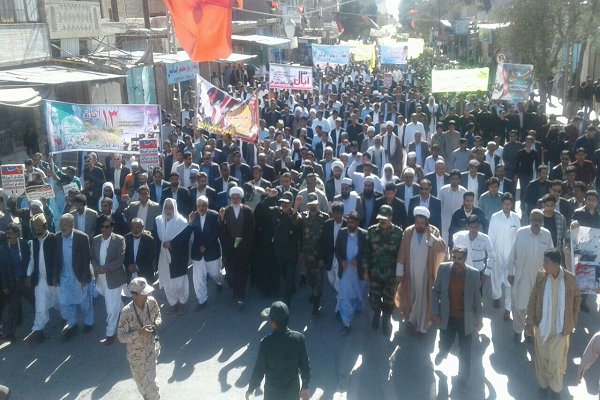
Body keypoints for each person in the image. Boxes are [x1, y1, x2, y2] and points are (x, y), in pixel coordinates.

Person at [525, 248, 581, 400]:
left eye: (546, 262)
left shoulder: (570, 279)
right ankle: (543, 386)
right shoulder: (541, 276)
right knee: (541, 361)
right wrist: (529, 321)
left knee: (556, 364)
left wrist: (572, 320)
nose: (543, 265)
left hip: (560, 331)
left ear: (556, 264)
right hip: (542, 327)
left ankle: (555, 390)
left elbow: (577, 300)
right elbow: (533, 299)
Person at [431, 246, 483, 392]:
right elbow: (435, 292)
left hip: (465, 320)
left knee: (465, 352)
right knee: (445, 343)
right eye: (454, 257)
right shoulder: (443, 269)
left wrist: (479, 319)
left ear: (465, 259)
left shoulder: (473, 274)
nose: (456, 261)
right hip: (447, 317)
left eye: (459, 258)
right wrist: (434, 312)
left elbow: (477, 300)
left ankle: (463, 379)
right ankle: (442, 353)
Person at [395, 206, 447, 335]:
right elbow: (402, 252)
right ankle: (411, 321)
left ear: (426, 222)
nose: (419, 226)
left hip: (426, 274)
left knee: (424, 299)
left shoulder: (433, 231)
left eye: (422, 224)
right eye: (417, 223)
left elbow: (442, 249)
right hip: (410, 272)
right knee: (411, 296)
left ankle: (423, 327)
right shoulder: (408, 231)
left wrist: (433, 239)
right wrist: (399, 272)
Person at [246, 301, 311, 400]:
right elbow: (305, 365)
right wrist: (305, 386)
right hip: (292, 394)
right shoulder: (298, 338)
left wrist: (251, 388)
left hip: (272, 395)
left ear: (273, 323)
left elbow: (259, 370)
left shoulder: (266, 343)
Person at [508, 210, 554, 343]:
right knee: (519, 306)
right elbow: (513, 254)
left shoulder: (546, 235)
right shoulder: (521, 233)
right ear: (529, 219)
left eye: (539, 220)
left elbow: (551, 256)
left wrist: (552, 274)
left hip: (540, 277)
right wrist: (510, 273)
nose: (536, 223)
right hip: (522, 276)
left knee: (536, 306)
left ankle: (530, 333)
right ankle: (517, 330)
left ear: (542, 221)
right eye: (534, 219)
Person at [117, 277, 162, 400]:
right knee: (142, 385)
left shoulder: (152, 302)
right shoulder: (126, 312)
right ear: (134, 295)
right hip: (136, 356)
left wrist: (157, 322)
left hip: (151, 350)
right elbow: (121, 337)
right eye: (143, 293)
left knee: (152, 384)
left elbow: (158, 314)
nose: (147, 294)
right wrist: (139, 333)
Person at [363, 205, 403, 336]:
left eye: (384, 219)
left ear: (390, 218)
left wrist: (400, 273)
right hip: (375, 272)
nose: (382, 222)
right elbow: (366, 252)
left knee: (389, 299)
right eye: (380, 219)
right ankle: (376, 313)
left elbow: (401, 255)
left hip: (391, 274)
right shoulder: (371, 231)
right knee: (374, 298)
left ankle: (386, 319)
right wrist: (365, 270)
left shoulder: (398, 233)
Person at [55, 214, 94, 340]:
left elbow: (86, 259)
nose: (62, 227)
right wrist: (55, 276)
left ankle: (89, 323)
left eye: (65, 225)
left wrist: (84, 278)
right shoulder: (57, 237)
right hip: (64, 277)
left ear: (72, 225)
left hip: (79, 276)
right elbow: (55, 258)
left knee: (85, 303)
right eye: (61, 225)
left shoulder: (81, 238)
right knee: (65, 303)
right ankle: (72, 325)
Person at [91, 215, 126, 345]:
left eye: (108, 227)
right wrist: (96, 267)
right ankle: (127, 315)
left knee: (111, 308)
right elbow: (93, 257)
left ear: (112, 227)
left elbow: (119, 260)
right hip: (101, 279)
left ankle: (110, 333)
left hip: (114, 278)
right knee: (114, 303)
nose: (105, 229)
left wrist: (104, 268)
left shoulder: (119, 240)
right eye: (103, 227)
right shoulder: (96, 240)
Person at [153, 198, 192, 315]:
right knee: (167, 283)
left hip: (178, 258)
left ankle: (183, 303)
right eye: (166, 208)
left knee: (180, 283)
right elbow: (156, 237)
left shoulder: (181, 222)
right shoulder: (158, 221)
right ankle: (173, 304)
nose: (168, 210)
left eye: (170, 208)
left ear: (174, 209)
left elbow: (185, 240)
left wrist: (172, 244)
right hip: (164, 257)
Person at [218, 186, 255, 307]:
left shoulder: (247, 211)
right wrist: (221, 219)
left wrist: (245, 244)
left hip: (243, 247)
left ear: (240, 198)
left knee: (242, 272)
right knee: (230, 272)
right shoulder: (226, 210)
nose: (235, 200)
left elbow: (250, 230)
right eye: (233, 198)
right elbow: (222, 230)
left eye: (237, 198)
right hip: (229, 247)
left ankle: (240, 296)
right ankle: (235, 290)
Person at [26, 214, 58, 343]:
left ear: (45, 227)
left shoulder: (54, 239)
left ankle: (69, 322)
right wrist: (29, 275)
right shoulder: (33, 242)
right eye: (36, 231)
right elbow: (32, 260)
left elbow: (58, 260)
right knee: (40, 303)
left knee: (61, 302)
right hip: (40, 279)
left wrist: (57, 275)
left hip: (54, 278)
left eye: (39, 230)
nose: (37, 233)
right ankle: (38, 329)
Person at [488, 193, 520, 320]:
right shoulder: (495, 217)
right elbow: (490, 235)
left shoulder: (516, 218)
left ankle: (508, 309)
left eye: (509, 204)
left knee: (509, 281)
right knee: (495, 277)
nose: (507, 206)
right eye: (505, 204)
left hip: (511, 255)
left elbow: (518, 236)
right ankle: (496, 296)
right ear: (502, 204)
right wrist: (490, 252)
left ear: (511, 204)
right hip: (497, 252)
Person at [335, 211, 367, 335]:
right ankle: (346, 322)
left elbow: (366, 251)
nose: (350, 224)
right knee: (345, 295)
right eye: (348, 222)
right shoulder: (342, 233)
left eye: (352, 222)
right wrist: (341, 260)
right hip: (345, 270)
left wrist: (357, 259)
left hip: (358, 271)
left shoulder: (364, 234)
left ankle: (358, 306)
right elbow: (336, 250)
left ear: (358, 223)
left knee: (358, 293)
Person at [188, 196, 223, 309]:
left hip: (212, 250)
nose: (201, 208)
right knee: (198, 278)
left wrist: (206, 246)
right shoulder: (194, 216)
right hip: (197, 252)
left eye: (203, 205)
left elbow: (216, 233)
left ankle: (219, 282)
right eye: (199, 206)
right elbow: (188, 232)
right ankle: (202, 300)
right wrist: (190, 222)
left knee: (215, 273)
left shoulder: (214, 215)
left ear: (207, 206)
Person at [0, 223, 30, 341]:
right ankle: (10, 333)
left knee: (36, 303)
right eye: (7, 233)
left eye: (11, 233)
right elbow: (2, 269)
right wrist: (5, 285)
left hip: (26, 282)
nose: (8, 236)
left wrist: (29, 277)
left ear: (17, 234)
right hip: (13, 284)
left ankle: (39, 329)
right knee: (13, 308)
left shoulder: (25, 245)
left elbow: (30, 262)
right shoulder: (3, 249)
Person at [452, 214, 496, 296]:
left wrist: (486, 274)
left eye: (476, 227)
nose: (473, 229)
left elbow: (492, 256)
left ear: (479, 227)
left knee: (477, 297)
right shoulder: (460, 238)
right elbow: (455, 256)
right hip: (463, 272)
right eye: (471, 227)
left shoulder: (485, 239)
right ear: (467, 227)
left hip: (479, 274)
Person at [301, 193, 329, 315]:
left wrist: (324, 256)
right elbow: (300, 234)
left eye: (314, 205)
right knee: (310, 277)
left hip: (319, 254)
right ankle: (314, 293)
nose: (312, 207)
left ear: (318, 204)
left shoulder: (324, 217)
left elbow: (327, 238)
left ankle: (316, 305)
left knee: (319, 279)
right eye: (310, 205)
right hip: (307, 253)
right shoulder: (303, 217)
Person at [124, 218, 156, 285]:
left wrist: (137, 266)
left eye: (138, 227)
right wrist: (128, 266)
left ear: (142, 227)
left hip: (145, 275)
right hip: (129, 275)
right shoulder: (126, 238)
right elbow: (123, 255)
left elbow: (151, 258)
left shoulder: (149, 240)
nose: (135, 230)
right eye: (133, 227)